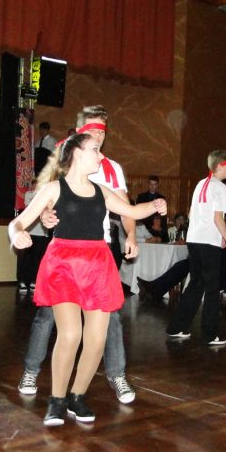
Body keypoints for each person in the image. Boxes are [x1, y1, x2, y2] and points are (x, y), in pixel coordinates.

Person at [9, 132, 167, 426]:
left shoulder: (102, 191)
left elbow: (132, 210)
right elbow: (18, 221)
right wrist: (16, 234)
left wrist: (156, 205)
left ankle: (77, 396)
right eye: (96, 149)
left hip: (97, 265)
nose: (100, 155)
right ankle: (57, 400)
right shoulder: (54, 188)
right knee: (70, 334)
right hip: (64, 265)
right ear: (78, 154)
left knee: (96, 339)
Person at [17, 105, 140, 406]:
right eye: (92, 129)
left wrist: (132, 235)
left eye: (102, 130)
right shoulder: (65, 157)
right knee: (49, 317)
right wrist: (45, 216)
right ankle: (31, 371)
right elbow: (45, 196)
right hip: (67, 250)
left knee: (109, 318)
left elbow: (125, 207)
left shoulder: (111, 168)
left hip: (100, 249)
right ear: (80, 131)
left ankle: (116, 375)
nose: (98, 134)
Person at [166, 150, 226, 345]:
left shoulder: (201, 183)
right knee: (212, 288)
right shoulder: (220, 187)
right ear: (220, 166)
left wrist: (218, 236)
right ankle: (210, 334)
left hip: (194, 239)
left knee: (196, 283)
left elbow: (193, 213)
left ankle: (177, 327)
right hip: (208, 242)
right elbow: (218, 218)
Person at [16, 178, 51, 294]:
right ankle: (22, 281)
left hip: (42, 233)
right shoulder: (29, 194)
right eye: (35, 185)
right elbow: (30, 208)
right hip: (29, 232)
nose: (36, 187)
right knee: (24, 258)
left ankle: (33, 281)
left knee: (37, 259)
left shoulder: (48, 196)